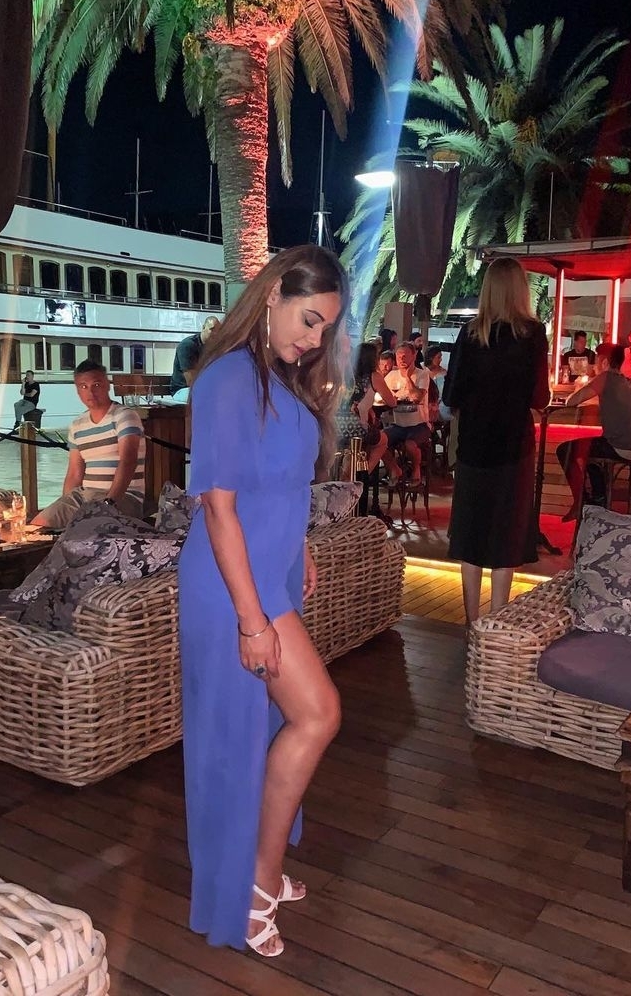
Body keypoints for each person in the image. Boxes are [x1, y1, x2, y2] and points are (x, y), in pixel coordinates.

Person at [178, 244, 347, 957]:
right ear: (274, 292)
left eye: (325, 329)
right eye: (309, 320)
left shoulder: (276, 378)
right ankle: (254, 882)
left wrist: (299, 544)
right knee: (315, 714)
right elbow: (218, 507)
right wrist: (252, 619)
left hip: (268, 573)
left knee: (268, 726)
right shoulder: (227, 377)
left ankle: (259, 868)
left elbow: (275, 482)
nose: (315, 340)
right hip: (231, 587)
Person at [442, 258, 550, 625]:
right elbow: (540, 397)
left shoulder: (470, 334)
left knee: (471, 535)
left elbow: (451, 394)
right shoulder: (533, 334)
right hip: (514, 449)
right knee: (506, 538)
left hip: (473, 446)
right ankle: (496, 621)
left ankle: (472, 623)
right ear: (521, 289)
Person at [31, 360, 146, 526]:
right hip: (84, 496)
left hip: (124, 497)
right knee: (39, 524)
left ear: (107, 385)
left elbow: (128, 461)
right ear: (77, 390)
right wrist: (65, 502)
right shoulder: (77, 425)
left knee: (90, 526)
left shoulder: (124, 416)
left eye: (96, 385)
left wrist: (109, 503)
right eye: (83, 386)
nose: (90, 392)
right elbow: (74, 473)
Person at [556, 342, 631, 521]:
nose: (594, 366)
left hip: (621, 445)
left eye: (596, 361)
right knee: (590, 448)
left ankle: (582, 502)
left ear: (605, 363)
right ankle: (597, 499)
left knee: (565, 450)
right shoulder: (625, 381)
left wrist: (582, 387)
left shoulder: (605, 378)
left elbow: (572, 401)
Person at [338, 340, 396, 473]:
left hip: (336, 425)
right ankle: (364, 472)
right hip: (356, 427)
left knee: (367, 439)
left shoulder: (346, 374)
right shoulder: (374, 376)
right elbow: (392, 402)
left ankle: (350, 468)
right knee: (383, 441)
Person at [382, 341, 431, 485]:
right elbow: (382, 397)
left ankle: (416, 469)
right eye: (399, 356)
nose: (401, 359)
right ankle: (394, 469)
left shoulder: (422, 375)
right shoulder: (391, 376)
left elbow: (417, 397)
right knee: (378, 441)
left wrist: (408, 377)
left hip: (419, 424)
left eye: (405, 355)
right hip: (398, 424)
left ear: (414, 356)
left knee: (410, 444)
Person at [169, 315, 220, 394]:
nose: (215, 333)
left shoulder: (214, 348)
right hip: (182, 390)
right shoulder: (187, 346)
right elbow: (191, 381)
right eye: (212, 329)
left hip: (201, 389)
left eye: (218, 331)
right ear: (203, 327)